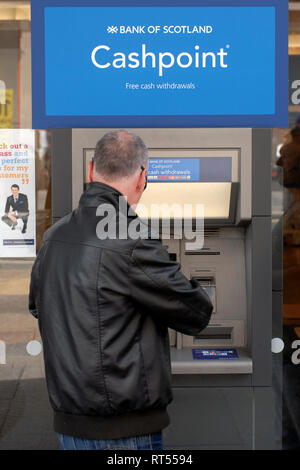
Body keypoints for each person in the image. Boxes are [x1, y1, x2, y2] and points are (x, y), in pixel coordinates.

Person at [29, 130, 213, 451]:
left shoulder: (54, 236)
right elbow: (195, 312)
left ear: (91, 170)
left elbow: (38, 305)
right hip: (123, 429)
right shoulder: (131, 237)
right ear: (142, 177)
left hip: (70, 421)